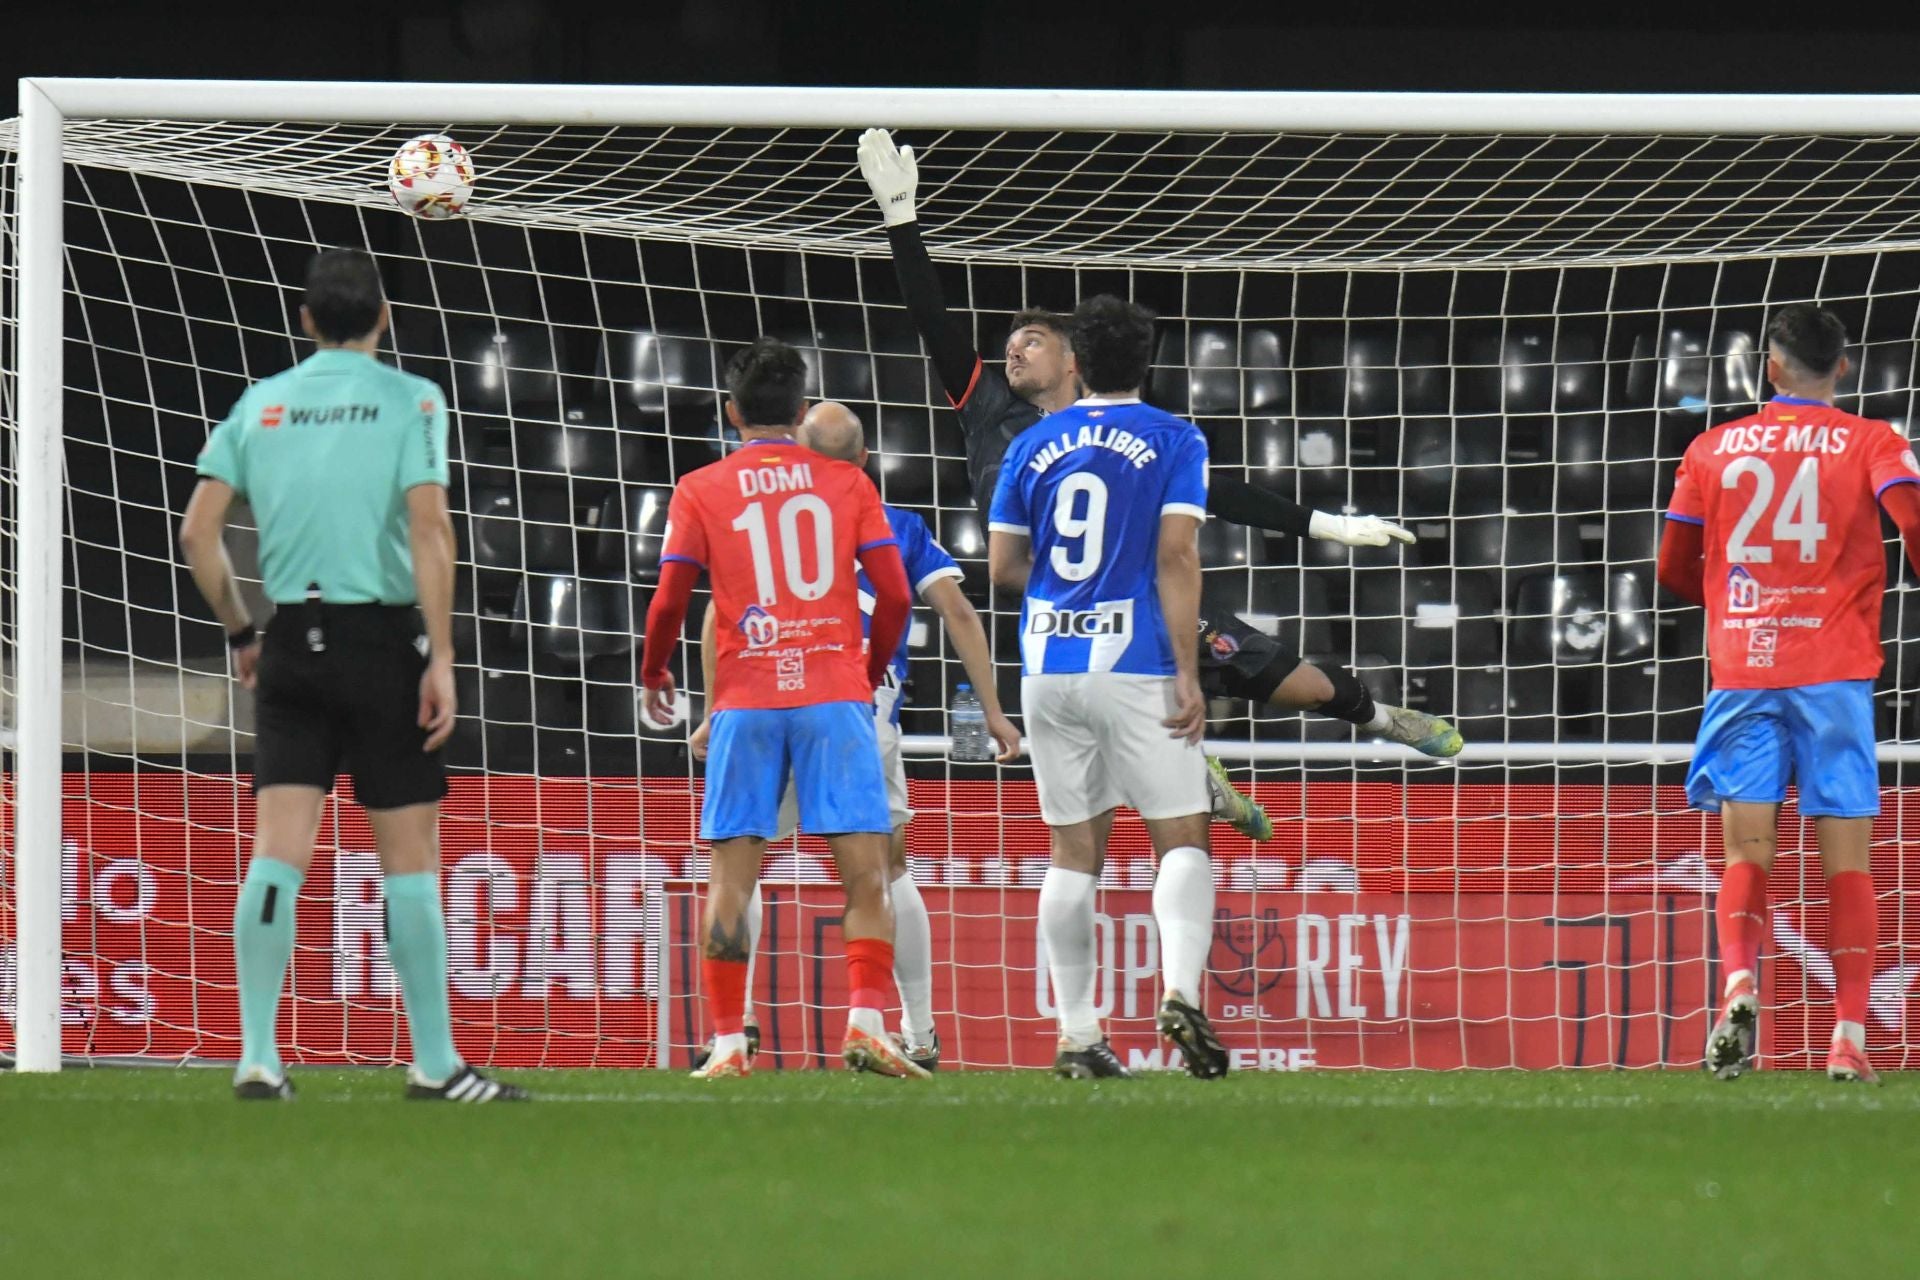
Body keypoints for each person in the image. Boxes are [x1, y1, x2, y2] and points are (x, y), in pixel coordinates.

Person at [857, 127, 1463, 845]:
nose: (1013, 349)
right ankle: (1195, 778)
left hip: (1142, 601)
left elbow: (1218, 491)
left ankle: (1383, 719)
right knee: (1115, 742)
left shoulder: (1133, 431)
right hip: (1062, 622)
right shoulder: (992, 413)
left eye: (1033, 341)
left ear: (1076, 360)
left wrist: (1326, 525)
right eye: (1010, 342)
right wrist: (901, 220)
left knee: (1305, 687)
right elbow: (934, 325)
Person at [178, 248, 526, 1102]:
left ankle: (258, 1056)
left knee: (277, 856)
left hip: (292, 641)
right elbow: (430, 529)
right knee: (409, 859)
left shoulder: (261, 404)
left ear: (304, 320)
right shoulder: (412, 400)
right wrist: (440, 655)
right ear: (384, 318)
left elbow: (196, 534)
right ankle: (436, 1065)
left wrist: (240, 632)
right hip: (380, 646)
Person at [686, 402, 1022, 1072]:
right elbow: (956, 608)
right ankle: (915, 1030)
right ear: (866, 461)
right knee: (886, 872)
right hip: (854, 708)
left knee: (738, 870)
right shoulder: (893, 523)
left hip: (760, 697)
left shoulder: (769, 520)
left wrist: (712, 705)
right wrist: (992, 709)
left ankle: (735, 1029)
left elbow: (718, 613)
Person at [640, 339, 928, 1080]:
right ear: (800, 414)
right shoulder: (847, 484)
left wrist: (653, 670)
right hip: (834, 696)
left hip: (747, 699)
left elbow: (673, 598)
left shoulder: (700, 486)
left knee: (731, 882)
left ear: (731, 412)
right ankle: (866, 1024)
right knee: (868, 878)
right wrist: (865, 668)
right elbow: (896, 595)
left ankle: (730, 1045)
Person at [1658, 302, 1920, 1086]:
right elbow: (1912, 517)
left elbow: (1673, 565)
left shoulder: (1712, 447)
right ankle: (1847, 1037)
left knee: (1747, 853)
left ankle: (1740, 983)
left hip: (1743, 669)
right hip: (1833, 670)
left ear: (1768, 368)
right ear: (1843, 368)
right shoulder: (1875, 440)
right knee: (1848, 865)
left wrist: (1738, 602)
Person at [988, 294, 1225, 1080]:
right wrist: (1189, 672)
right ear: (1147, 361)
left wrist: (1062, 594)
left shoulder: (1031, 443)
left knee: (1072, 853)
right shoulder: (1175, 437)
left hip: (1048, 666)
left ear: (1078, 362)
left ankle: (1079, 1035)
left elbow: (1003, 569)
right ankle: (1182, 993)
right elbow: (1175, 557)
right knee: (1182, 838)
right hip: (1138, 664)